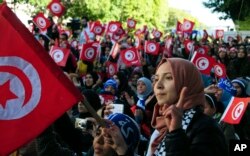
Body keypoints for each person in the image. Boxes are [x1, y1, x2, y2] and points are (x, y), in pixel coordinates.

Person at [146, 58, 228, 156]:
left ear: (187, 83)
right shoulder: (162, 123)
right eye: (156, 79)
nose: (158, 85)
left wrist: (175, 134)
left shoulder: (206, 129)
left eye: (168, 78)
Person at [36, 113, 140, 156]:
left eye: (108, 138)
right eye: (98, 133)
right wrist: (85, 124)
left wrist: (122, 150)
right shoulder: (87, 125)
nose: (98, 140)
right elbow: (48, 150)